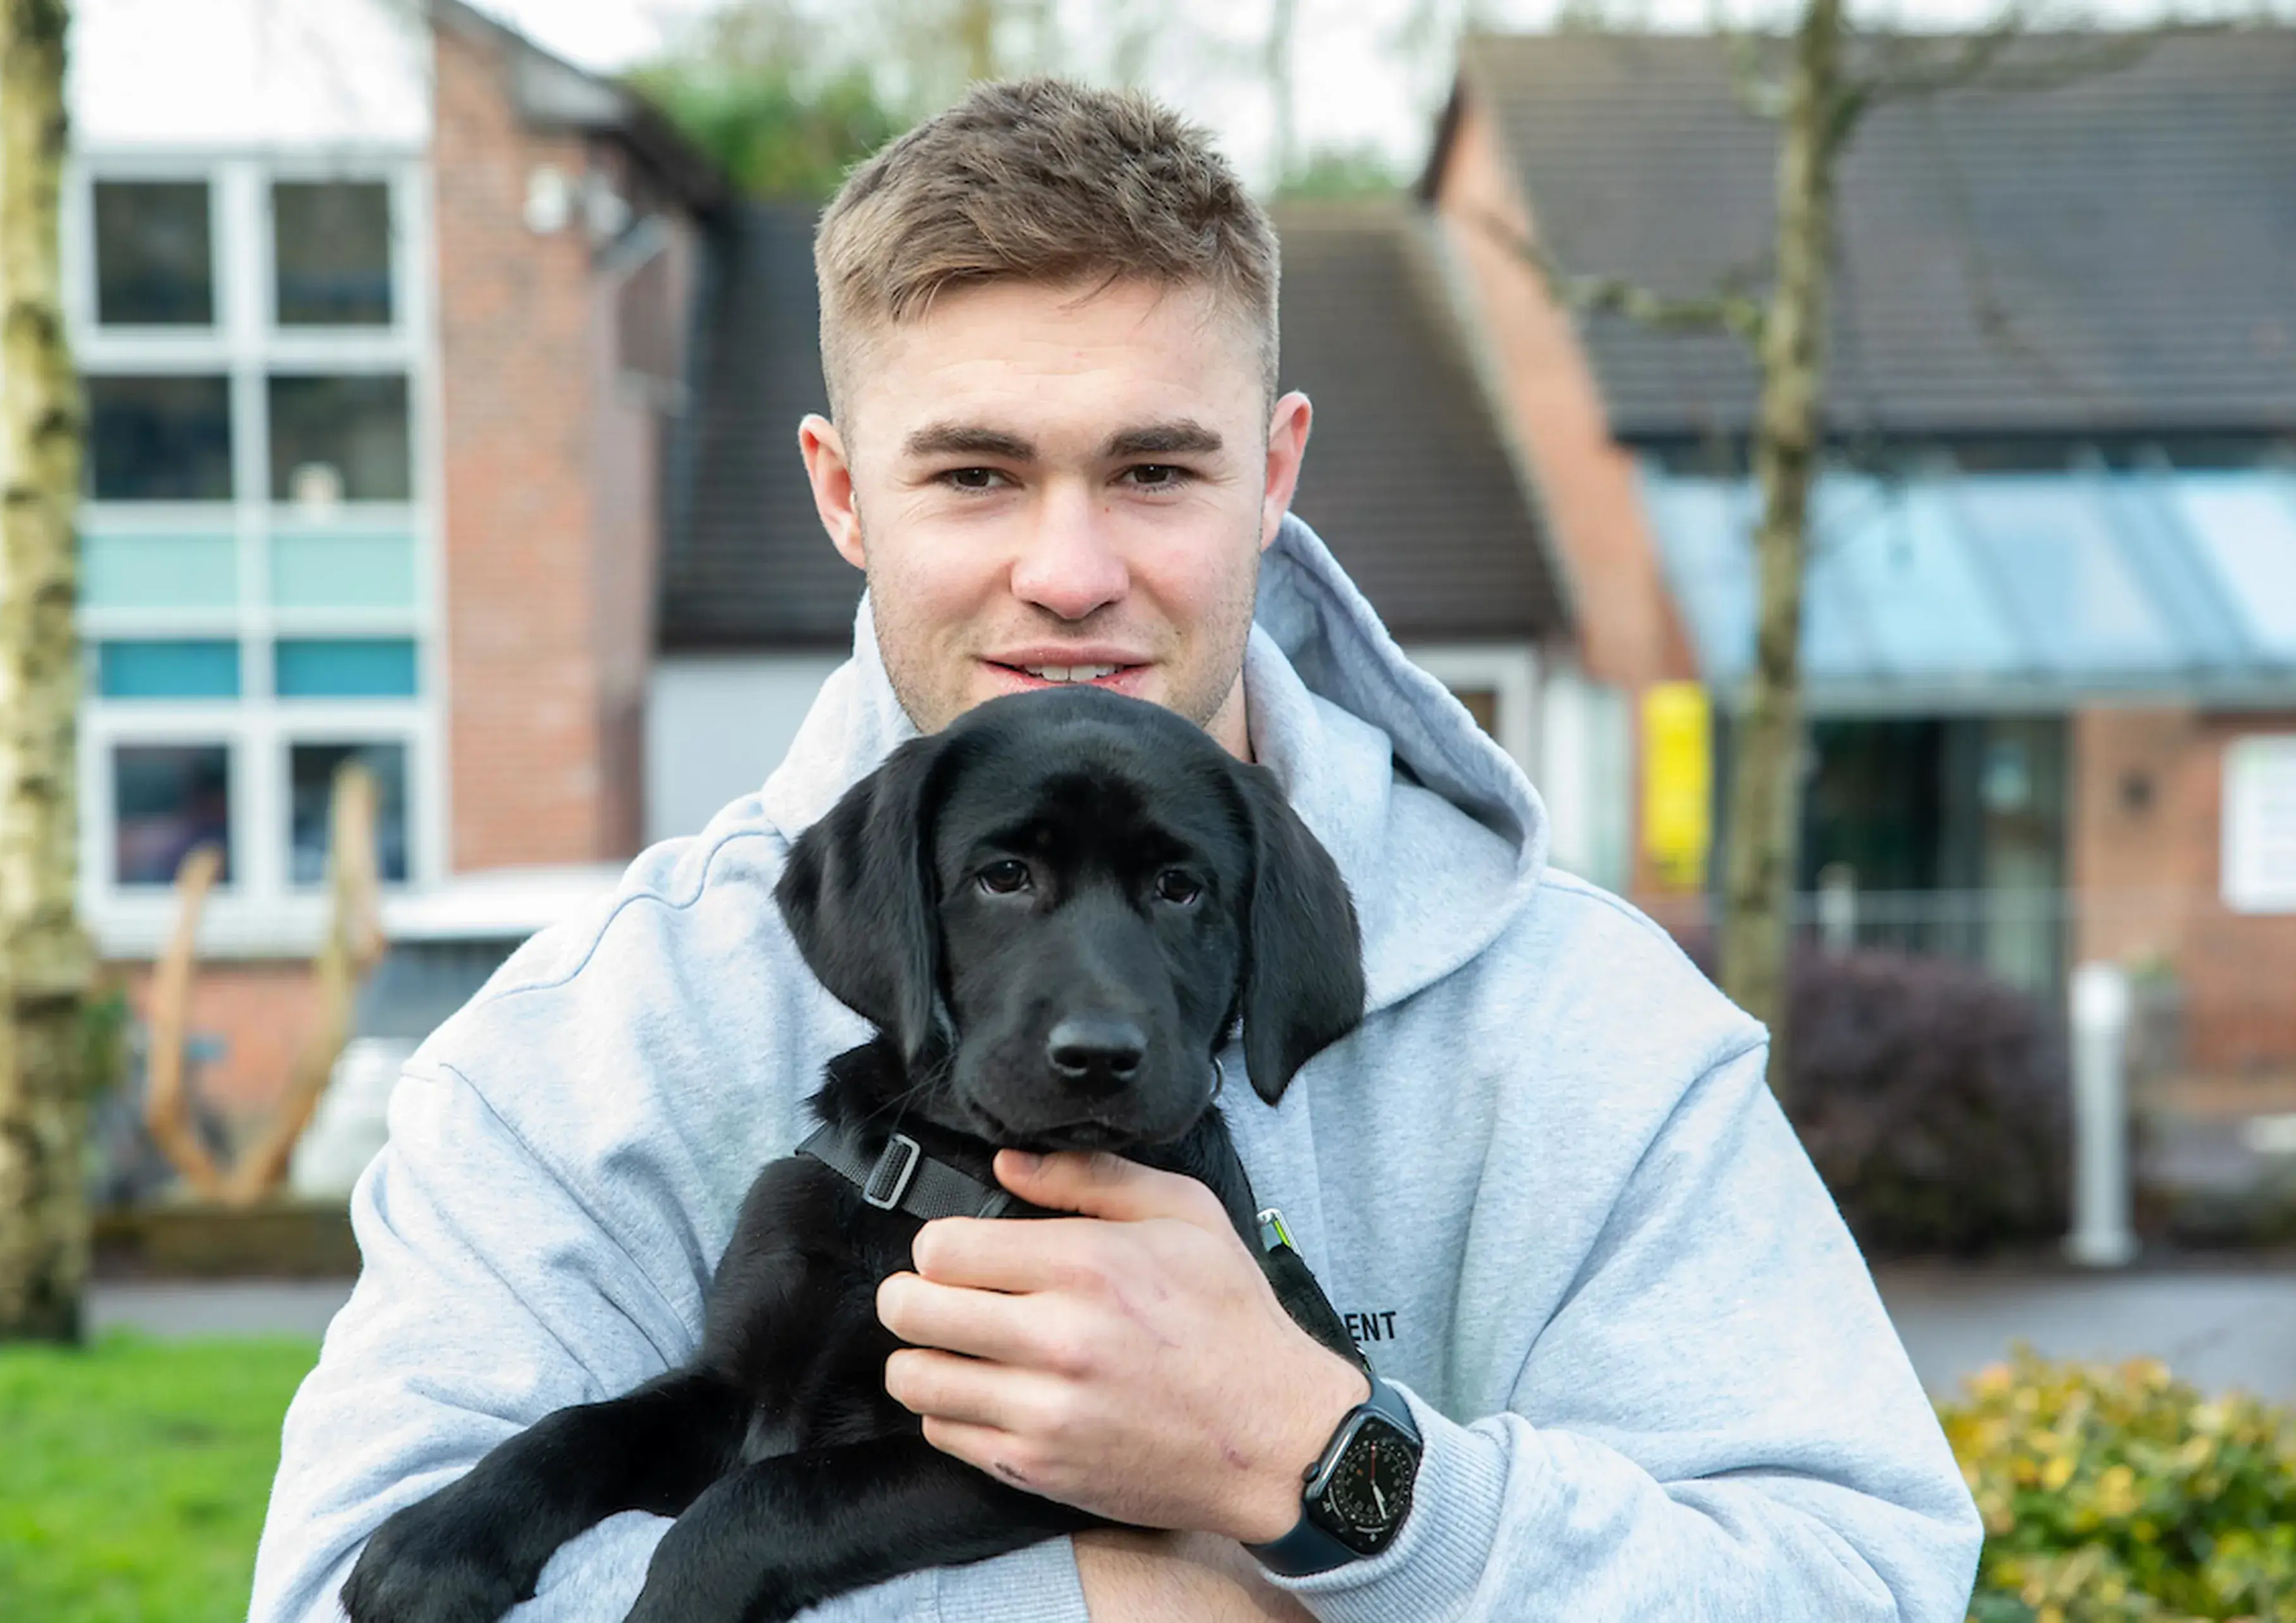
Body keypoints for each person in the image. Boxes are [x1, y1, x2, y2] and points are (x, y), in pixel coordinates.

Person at [252, 78, 1983, 1622]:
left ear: (1276, 473)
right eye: (978, 476)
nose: (1071, 570)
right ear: (845, 491)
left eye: (1154, 468)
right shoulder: (588, 1044)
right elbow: (347, 1596)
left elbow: (1865, 1582)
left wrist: (1337, 1471)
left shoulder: (1590, 1030)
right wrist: (1105, 1601)